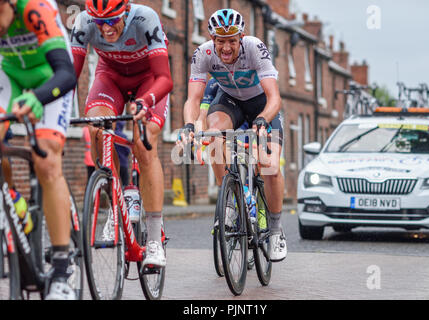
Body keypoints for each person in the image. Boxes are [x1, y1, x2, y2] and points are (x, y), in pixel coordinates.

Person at [71, 0, 173, 267]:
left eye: (111, 21)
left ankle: (153, 240)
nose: (105, 29)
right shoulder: (83, 21)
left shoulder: (145, 18)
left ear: (126, 12)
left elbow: (166, 77)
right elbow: (71, 75)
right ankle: (116, 209)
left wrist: (147, 101)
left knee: (144, 142)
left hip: (149, 80)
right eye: (99, 22)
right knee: (95, 129)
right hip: (111, 78)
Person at [181, 9, 287, 262]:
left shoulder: (255, 48)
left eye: (231, 41)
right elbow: (193, 99)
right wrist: (188, 125)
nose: (226, 48)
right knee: (215, 134)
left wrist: (263, 118)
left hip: (261, 104)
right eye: (220, 41)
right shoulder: (203, 53)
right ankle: (228, 200)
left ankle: (275, 230)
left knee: (269, 165)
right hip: (229, 101)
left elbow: (274, 97)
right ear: (212, 39)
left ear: (241, 37)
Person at [0, 0, 78, 299]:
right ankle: (15, 202)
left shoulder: (33, 9)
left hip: (50, 76)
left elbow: (67, 74)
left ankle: (60, 271)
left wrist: (38, 98)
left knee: (45, 158)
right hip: (9, 74)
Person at [114, 121, 130, 186]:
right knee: (125, 182)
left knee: (115, 181)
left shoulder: (112, 134)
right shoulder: (124, 136)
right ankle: (125, 195)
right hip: (123, 163)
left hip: (114, 164)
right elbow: (127, 151)